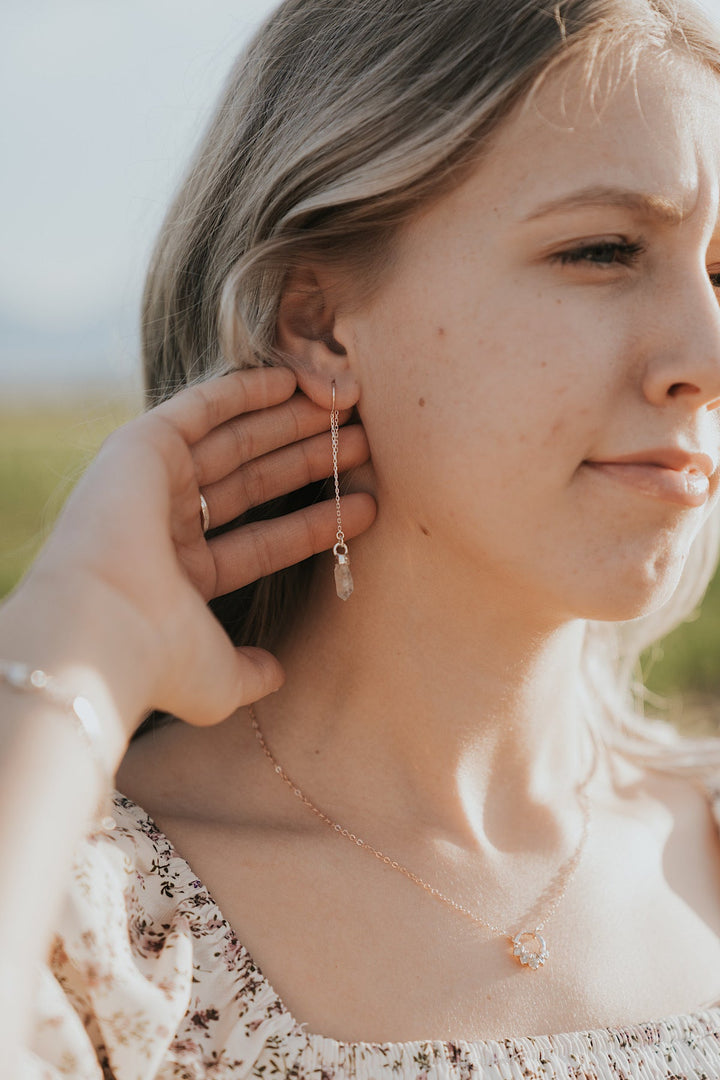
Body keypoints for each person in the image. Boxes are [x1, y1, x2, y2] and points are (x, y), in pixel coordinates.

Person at [6, 0, 720, 1075]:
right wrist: (78, 638)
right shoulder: (91, 922)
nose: (704, 356)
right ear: (319, 325)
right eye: (605, 250)